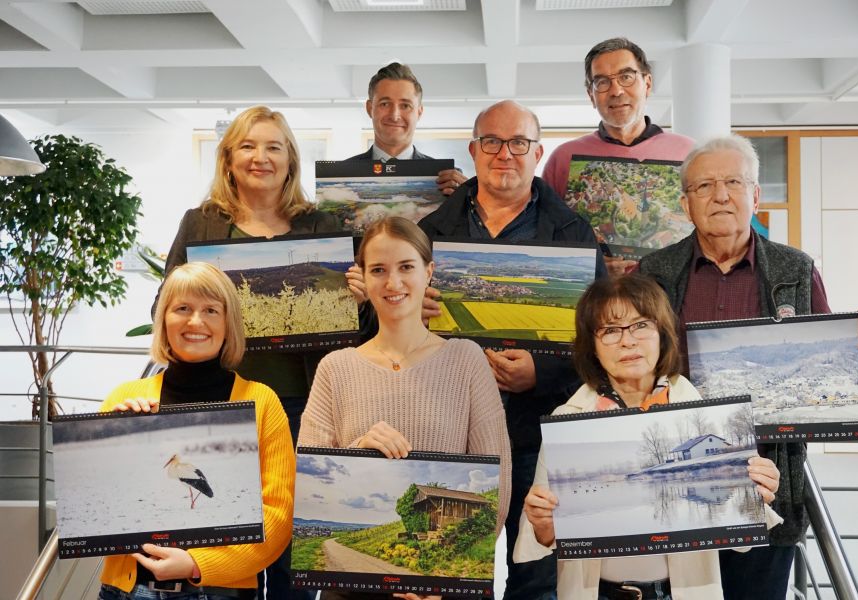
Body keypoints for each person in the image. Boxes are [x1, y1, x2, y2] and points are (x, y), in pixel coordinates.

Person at [639, 134, 858, 600]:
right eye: (704, 186)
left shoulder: (795, 268)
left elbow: (826, 364)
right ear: (685, 203)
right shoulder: (653, 271)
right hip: (678, 481)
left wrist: (855, 343)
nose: (720, 195)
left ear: (755, 195)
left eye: (734, 182)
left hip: (768, 481)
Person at [417, 99, 607, 599]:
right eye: (493, 142)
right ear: (474, 151)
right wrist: (410, 314)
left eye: (519, 143)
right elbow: (380, 325)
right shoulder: (429, 234)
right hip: (449, 430)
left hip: (539, 432)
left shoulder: (574, 233)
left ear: (538, 152)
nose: (506, 154)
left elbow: (601, 333)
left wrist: (540, 374)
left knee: (538, 572)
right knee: (448, 570)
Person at [160, 105, 346, 599]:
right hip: (222, 408)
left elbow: (354, 329)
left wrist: (358, 298)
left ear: (290, 161)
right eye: (247, 145)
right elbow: (167, 305)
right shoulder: (199, 225)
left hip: (304, 408)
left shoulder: (322, 225)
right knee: (225, 547)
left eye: (273, 147)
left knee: (291, 558)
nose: (260, 157)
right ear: (228, 159)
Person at [514, 274, 782, 600]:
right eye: (610, 330)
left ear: (662, 334)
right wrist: (542, 522)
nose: (628, 341)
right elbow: (544, 537)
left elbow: (738, 536)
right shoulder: (568, 420)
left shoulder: (701, 414)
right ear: (592, 346)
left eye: (641, 325)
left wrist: (756, 493)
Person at [299, 216, 511, 600]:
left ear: (429, 273)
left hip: (445, 586)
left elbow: (498, 480)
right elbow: (308, 481)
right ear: (362, 278)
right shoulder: (335, 368)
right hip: (351, 593)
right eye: (378, 270)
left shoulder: (466, 359)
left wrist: (441, 573)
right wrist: (356, 453)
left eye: (406, 267)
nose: (393, 283)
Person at [98, 262, 294, 600]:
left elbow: (277, 518)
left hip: (223, 593)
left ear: (228, 323)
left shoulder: (262, 403)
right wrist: (115, 441)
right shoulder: (124, 399)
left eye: (211, 310)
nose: (195, 322)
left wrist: (196, 563)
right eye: (182, 308)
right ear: (163, 320)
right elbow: (97, 506)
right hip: (128, 590)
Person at [541, 38, 694, 275]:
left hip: (673, 303)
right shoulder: (563, 158)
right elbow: (545, 241)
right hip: (594, 303)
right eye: (602, 82)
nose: (616, 91)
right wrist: (592, 271)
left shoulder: (690, 153)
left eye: (626, 76)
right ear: (591, 95)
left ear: (648, 84)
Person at [347, 62, 466, 196]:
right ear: (370, 108)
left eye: (405, 106)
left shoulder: (450, 179)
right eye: (385, 104)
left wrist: (470, 206)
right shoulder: (341, 173)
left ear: (419, 112)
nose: (394, 116)